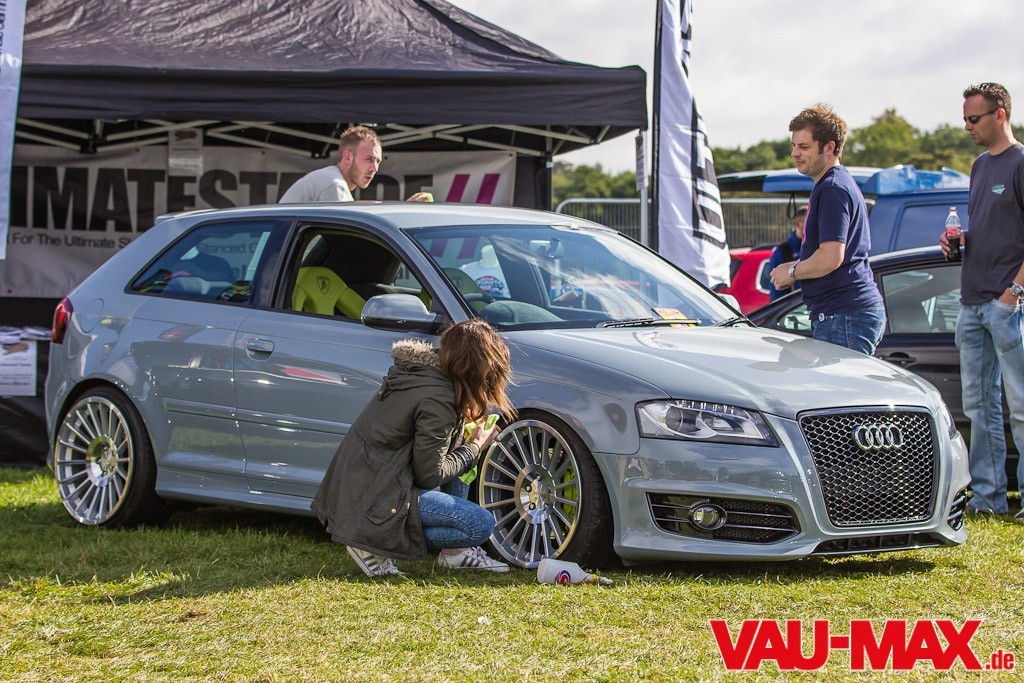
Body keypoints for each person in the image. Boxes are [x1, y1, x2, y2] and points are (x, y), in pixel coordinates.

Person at [311, 319, 516, 576]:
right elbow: (429, 475)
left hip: (365, 483)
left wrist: (459, 437)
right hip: (377, 497)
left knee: (461, 455)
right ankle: (372, 542)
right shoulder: (439, 399)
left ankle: (455, 554)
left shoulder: (421, 375)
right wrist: (475, 446)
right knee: (479, 525)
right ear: (478, 369)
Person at [940, 82, 1024, 520]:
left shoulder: (1021, 162)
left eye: (974, 119)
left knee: (1021, 405)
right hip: (972, 300)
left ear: (1000, 115)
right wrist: (959, 241)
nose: (967, 127)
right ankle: (989, 499)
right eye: (965, 119)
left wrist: (1014, 292)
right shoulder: (978, 165)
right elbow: (994, 231)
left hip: (1007, 304)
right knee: (978, 406)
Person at [769, 104, 885, 354]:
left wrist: (791, 271)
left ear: (829, 147)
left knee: (840, 383)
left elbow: (831, 258)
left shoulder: (832, 188)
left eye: (804, 147)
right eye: (794, 145)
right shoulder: (834, 184)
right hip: (845, 313)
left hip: (843, 314)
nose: (795, 153)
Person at [279, 125, 431, 203]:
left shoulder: (330, 179)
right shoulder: (333, 183)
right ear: (348, 157)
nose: (375, 168)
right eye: (369, 159)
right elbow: (352, 235)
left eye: (378, 161)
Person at [766, 205, 807, 301]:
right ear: (799, 224)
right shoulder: (783, 251)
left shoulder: (817, 247)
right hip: (794, 306)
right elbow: (776, 291)